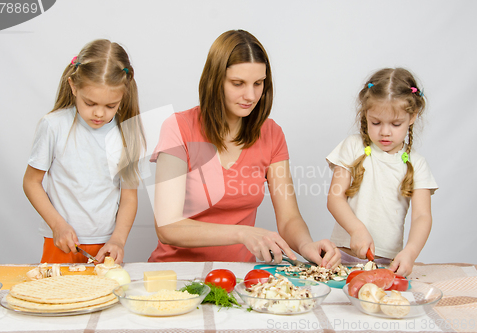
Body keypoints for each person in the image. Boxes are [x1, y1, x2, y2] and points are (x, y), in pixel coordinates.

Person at [149, 30, 340, 268]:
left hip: (239, 276)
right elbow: (168, 227)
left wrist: (305, 245)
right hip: (176, 272)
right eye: (238, 83)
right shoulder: (178, 128)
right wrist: (242, 233)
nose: (250, 96)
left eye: (258, 83)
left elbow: (289, 217)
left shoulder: (272, 134)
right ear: (215, 80)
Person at [23, 39, 145, 264]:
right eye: (90, 103)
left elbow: (129, 196)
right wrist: (57, 225)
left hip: (105, 246)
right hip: (60, 242)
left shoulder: (127, 133)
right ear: (73, 86)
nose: (99, 113)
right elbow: (31, 182)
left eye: (110, 106)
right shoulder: (53, 126)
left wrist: (118, 240)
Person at [326, 68, 437, 276]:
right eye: (376, 122)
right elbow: (334, 198)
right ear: (366, 114)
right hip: (343, 257)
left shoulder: (417, 164)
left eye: (396, 124)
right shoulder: (352, 146)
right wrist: (356, 230)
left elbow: (422, 216)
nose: (385, 132)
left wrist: (410, 253)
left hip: (388, 264)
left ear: (412, 117)